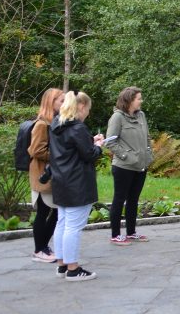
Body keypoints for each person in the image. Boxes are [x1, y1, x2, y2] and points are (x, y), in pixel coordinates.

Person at [50, 91, 104, 281]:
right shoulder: (78, 128)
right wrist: (99, 146)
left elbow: (70, 148)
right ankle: (73, 268)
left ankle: (62, 264)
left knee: (62, 223)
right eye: (88, 109)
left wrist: (90, 141)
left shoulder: (57, 124)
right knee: (73, 227)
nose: (88, 113)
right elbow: (89, 155)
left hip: (61, 180)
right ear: (81, 107)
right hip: (77, 182)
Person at [106, 87, 154, 245]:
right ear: (129, 100)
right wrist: (126, 156)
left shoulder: (141, 116)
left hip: (141, 166)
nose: (141, 101)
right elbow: (110, 142)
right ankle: (115, 235)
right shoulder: (117, 117)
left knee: (134, 199)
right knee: (119, 199)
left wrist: (148, 155)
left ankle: (131, 232)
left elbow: (147, 137)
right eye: (138, 98)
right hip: (123, 167)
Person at [28, 88, 64, 263]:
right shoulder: (42, 124)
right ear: (51, 102)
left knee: (56, 212)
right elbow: (35, 150)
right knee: (44, 212)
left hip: (52, 174)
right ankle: (39, 249)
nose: (64, 104)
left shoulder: (54, 122)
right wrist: (60, 154)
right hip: (42, 174)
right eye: (61, 101)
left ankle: (44, 246)